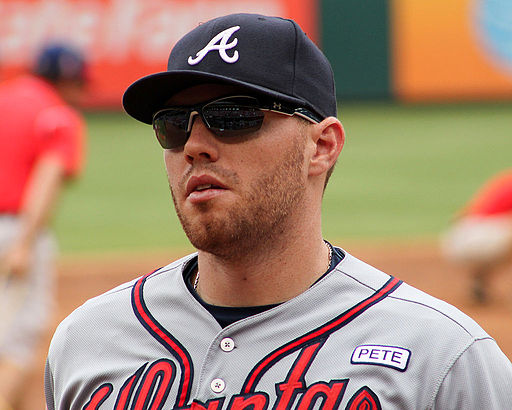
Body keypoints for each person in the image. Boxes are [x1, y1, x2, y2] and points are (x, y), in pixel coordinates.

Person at [44, 13, 512, 409]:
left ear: (321, 147)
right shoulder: (88, 341)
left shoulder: (443, 360)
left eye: (234, 118)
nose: (195, 146)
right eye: (173, 125)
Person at [0, 44, 87, 409]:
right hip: (15, 230)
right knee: (15, 344)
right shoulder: (57, 115)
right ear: (66, 80)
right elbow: (47, 176)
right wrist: (24, 243)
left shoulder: (4, 98)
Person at [441, 169, 512, 304]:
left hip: (456, 239)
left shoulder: (504, 180)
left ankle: (479, 284)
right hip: (480, 241)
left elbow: (460, 216)